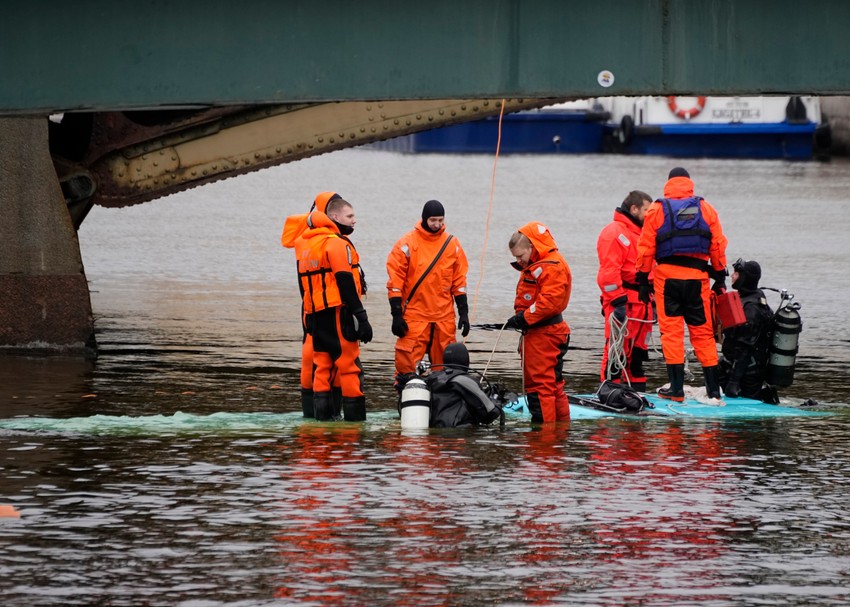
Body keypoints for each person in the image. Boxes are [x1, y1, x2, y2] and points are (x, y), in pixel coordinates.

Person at [635, 167, 729, 401]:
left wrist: (642, 279)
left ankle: (676, 390)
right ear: (689, 184)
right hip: (698, 280)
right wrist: (719, 274)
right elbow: (717, 244)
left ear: (668, 184)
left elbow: (646, 248)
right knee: (703, 334)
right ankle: (714, 391)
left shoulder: (657, 209)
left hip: (667, 280)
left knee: (672, 334)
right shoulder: (706, 209)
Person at [297, 197, 372, 421]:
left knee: (322, 368)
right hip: (338, 314)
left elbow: (304, 286)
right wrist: (362, 316)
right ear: (335, 218)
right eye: (350, 216)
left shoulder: (306, 244)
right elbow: (344, 281)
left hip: (316, 316)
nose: (354, 221)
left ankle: (322, 423)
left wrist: (307, 318)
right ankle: (354, 423)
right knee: (350, 368)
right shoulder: (336, 243)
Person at [386, 199, 469, 386]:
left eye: (440, 220)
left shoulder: (452, 244)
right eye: (433, 220)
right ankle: (407, 402)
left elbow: (459, 282)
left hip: (444, 317)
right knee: (406, 370)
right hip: (414, 317)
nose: (437, 224)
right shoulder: (407, 243)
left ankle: (442, 404)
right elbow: (395, 281)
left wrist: (464, 313)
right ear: (424, 218)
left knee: (447, 372)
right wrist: (396, 315)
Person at [281, 191, 343, 418]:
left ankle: (317, 418)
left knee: (316, 367)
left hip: (312, 311)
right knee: (320, 366)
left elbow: (303, 283)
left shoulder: (306, 240)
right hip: (319, 311)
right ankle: (325, 417)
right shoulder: (325, 241)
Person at [505, 222, 572, 423]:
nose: (519, 261)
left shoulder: (551, 267)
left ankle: (544, 439)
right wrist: (522, 320)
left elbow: (548, 302)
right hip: (541, 332)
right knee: (553, 385)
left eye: (520, 256)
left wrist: (523, 318)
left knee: (540, 387)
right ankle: (560, 431)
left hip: (545, 334)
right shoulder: (541, 265)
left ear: (532, 247)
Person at [596, 190, 655, 390]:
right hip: (624, 302)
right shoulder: (614, 232)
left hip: (643, 303)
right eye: (647, 210)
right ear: (634, 208)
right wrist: (617, 301)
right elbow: (608, 273)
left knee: (637, 355)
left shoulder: (643, 234)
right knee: (616, 351)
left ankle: (636, 394)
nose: (650, 215)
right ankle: (610, 391)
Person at [718, 258, 779, 403]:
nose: (732, 276)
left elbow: (745, 347)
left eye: (736, 274)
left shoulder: (752, 308)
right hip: (731, 365)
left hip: (748, 373)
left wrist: (734, 381)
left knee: (747, 405)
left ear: (745, 278)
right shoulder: (745, 298)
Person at [425, 342, 503, 428]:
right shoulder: (464, 380)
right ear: (465, 360)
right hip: (458, 436)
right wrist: (496, 401)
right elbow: (490, 414)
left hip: (434, 437)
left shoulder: (431, 378)